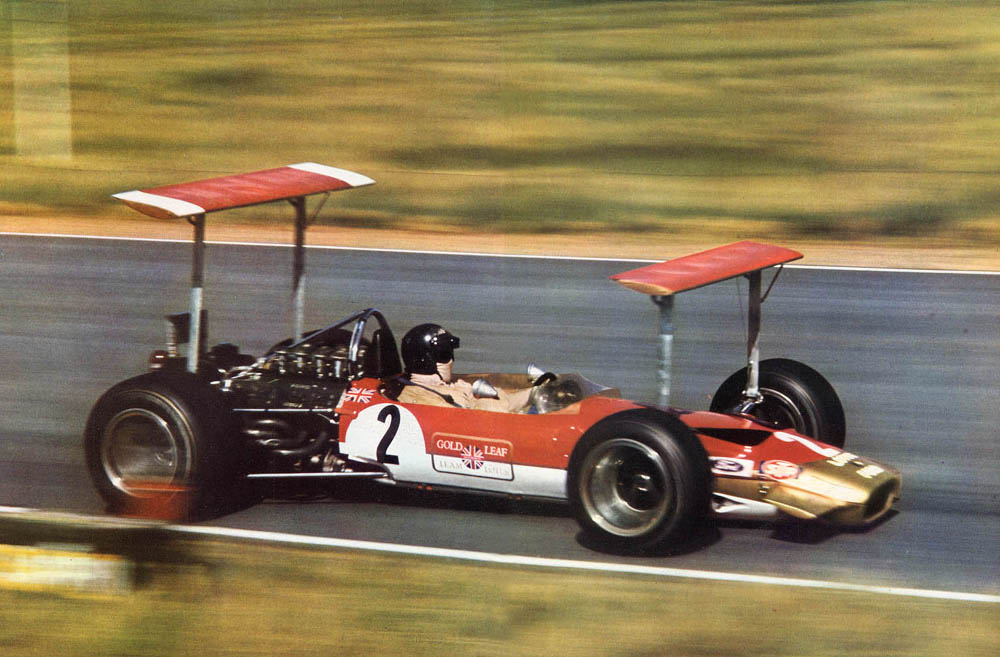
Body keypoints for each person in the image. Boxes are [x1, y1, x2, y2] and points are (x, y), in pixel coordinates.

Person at [395, 323, 533, 413]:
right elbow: (470, 421)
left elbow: (507, 402)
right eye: (444, 354)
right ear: (425, 360)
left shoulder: (452, 385)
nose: (451, 360)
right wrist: (481, 400)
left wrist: (534, 393)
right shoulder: (418, 397)